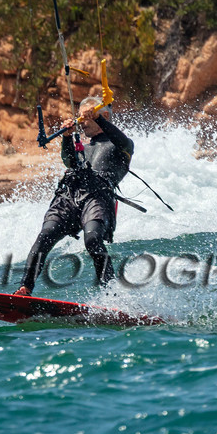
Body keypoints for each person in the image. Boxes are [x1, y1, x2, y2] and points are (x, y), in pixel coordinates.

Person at [14, 95, 134, 295]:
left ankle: (112, 296)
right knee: (45, 235)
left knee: (93, 240)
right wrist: (67, 137)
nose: (81, 122)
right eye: (80, 118)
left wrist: (99, 119)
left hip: (97, 198)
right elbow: (69, 162)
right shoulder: (84, 147)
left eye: (85, 118)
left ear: (103, 115)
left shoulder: (122, 146)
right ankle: (25, 287)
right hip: (69, 197)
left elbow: (121, 140)